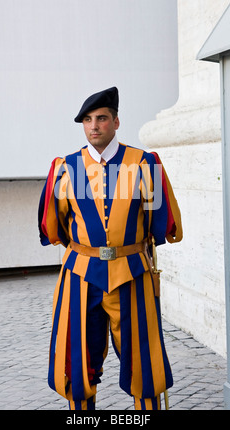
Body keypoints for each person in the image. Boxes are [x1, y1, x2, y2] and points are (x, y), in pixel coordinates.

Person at [38, 86, 182, 411]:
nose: (94, 126)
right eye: (88, 120)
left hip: (132, 274)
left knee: (144, 366)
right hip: (80, 276)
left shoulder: (144, 164)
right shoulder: (66, 168)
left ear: (116, 122)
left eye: (101, 118)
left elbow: (162, 222)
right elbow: (55, 226)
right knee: (78, 365)